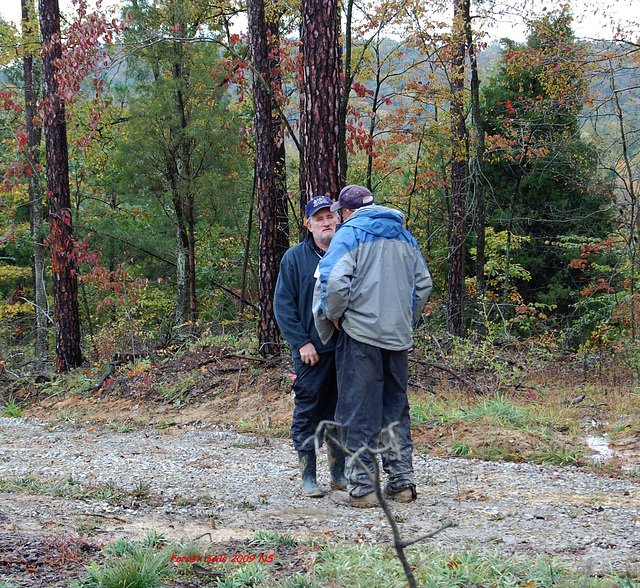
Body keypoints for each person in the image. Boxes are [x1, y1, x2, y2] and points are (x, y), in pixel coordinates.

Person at [313, 184, 432, 507]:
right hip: (397, 337)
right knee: (394, 410)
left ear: (347, 212)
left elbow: (334, 279)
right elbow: (423, 284)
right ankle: (402, 484)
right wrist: (406, 319)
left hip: (360, 336)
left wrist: (335, 316)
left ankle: (363, 488)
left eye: (339, 212)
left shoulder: (349, 234)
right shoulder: (404, 237)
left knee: (358, 410)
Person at [274, 195, 348, 498]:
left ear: (339, 219)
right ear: (308, 224)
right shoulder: (295, 258)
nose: (326, 222)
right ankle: (308, 477)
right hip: (310, 353)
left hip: (346, 351)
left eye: (330, 216)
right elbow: (283, 306)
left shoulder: (349, 252)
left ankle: (339, 475)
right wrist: (301, 342)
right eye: (319, 219)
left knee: (341, 413)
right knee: (308, 412)